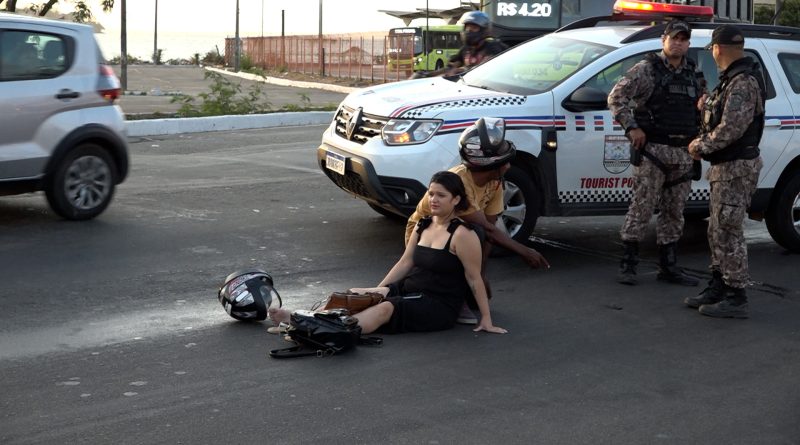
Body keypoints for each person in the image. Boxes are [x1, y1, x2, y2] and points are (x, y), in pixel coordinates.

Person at [269, 171, 507, 335]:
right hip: (409, 289)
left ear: (456, 200)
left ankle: (318, 328)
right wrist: (377, 291)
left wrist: (486, 320)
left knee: (385, 309)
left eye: (441, 195)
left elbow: (475, 278)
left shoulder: (464, 234)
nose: (433, 199)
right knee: (354, 295)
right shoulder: (424, 224)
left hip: (437, 304)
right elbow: (405, 263)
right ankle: (303, 319)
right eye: (431, 193)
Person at [404, 117, 549, 324]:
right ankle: (448, 293)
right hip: (425, 237)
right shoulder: (459, 182)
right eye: (504, 162)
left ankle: (460, 290)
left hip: (451, 236)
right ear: (492, 165)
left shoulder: (496, 183)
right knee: (471, 231)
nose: (508, 166)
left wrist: (480, 274)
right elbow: (486, 231)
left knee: (475, 233)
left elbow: (489, 233)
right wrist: (525, 251)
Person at [607, 19, 703, 287]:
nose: (678, 43)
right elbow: (616, 97)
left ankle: (668, 266)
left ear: (688, 43)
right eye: (674, 38)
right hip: (653, 153)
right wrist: (632, 128)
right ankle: (628, 264)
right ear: (664, 40)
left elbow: (701, 110)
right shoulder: (647, 69)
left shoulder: (694, 73)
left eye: (683, 39)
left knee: (675, 212)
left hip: (683, 153)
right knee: (642, 208)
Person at [685, 25, 765, 319]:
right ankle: (719, 285)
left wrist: (700, 145)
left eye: (712, 49)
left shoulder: (743, 82)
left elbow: (732, 128)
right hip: (726, 168)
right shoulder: (731, 80)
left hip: (736, 167)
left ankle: (736, 296)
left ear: (718, 48)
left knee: (729, 232)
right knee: (716, 229)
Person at [445, 10, 507, 75]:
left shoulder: (493, 47)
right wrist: (451, 67)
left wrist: (462, 70)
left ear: (484, 30)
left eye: (474, 28)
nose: (469, 31)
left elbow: (486, 68)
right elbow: (454, 63)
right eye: (467, 28)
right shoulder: (466, 49)